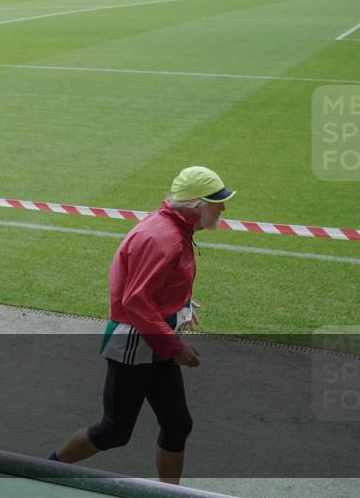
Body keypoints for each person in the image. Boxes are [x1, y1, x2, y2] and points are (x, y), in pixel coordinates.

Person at [48, 166, 235, 484]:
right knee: (114, 431)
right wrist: (176, 346)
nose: (223, 208)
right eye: (215, 201)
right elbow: (136, 302)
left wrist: (182, 305)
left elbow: (158, 284)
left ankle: (169, 493)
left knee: (177, 424)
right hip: (137, 343)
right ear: (194, 204)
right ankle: (43, 471)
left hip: (153, 338)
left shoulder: (174, 230)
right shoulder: (163, 238)